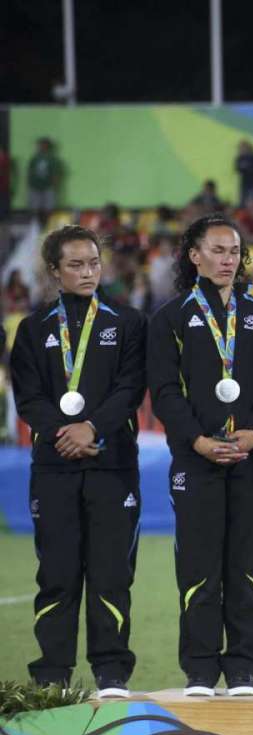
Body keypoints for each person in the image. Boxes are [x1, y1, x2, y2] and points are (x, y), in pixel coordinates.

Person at [9, 225, 146, 698]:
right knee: (57, 574)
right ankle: (52, 675)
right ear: (54, 271)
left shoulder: (128, 323)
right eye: (75, 265)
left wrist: (93, 429)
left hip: (112, 467)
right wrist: (63, 432)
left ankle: (111, 672)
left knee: (112, 572)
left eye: (93, 263)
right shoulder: (33, 329)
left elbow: (130, 388)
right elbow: (28, 396)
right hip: (55, 467)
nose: (88, 272)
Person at [148, 215, 253, 697]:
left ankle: (243, 666)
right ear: (194, 255)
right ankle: (201, 669)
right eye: (219, 251)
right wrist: (198, 441)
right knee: (199, 567)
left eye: (235, 252)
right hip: (195, 461)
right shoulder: (169, 318)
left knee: (247, 566)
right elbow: (163, 392)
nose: (229, 260)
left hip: (250, 460)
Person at [27, 137, 63, 220]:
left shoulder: (52, 159)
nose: (41, 146)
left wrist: (55, 186)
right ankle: (35, 223)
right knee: (35, 207)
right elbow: (30, 172)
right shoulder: (34, 158)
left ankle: (48, 224)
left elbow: (56, 173)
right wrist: (29, 184)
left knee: (49, 207)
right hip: (35, 186)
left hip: (48, 186)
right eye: (40, 145)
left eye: (43, 144)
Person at [234, 141, 253, 208]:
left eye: (243, 148)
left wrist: (246, 167)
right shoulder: (240, 158)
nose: (242, 150)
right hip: (244, 182)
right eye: (241, 148)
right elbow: (238, 169)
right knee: (243, 201)